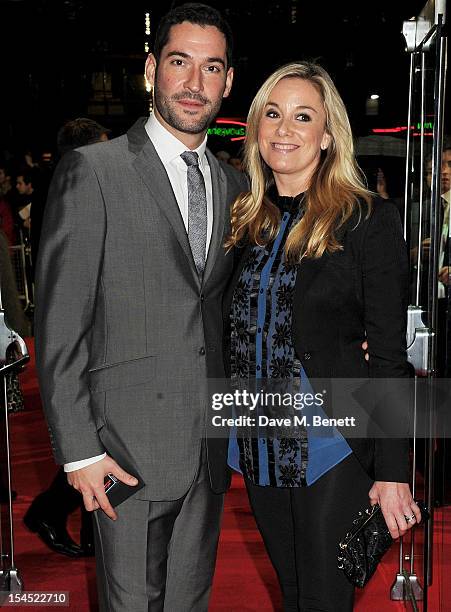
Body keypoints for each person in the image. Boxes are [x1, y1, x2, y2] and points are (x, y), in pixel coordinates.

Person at [34, 3, 246, 611]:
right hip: (122, 452)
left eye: (212, 68)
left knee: (187, 602)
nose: (195, 83)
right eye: (180, 63)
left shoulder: (232, 186)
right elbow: (61, 322)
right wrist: (78, 450)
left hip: (206, 449)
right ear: (151, 71)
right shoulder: (92, 171)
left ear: (228, 82)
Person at [223, 61, 421, 611]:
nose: (285, 129)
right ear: (257, 128)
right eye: (273, 113)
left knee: (324, 600)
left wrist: (392, 472)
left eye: (302, 116)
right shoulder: (244, 220)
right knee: (292, 596)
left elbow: (388, 357)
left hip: (331, 443)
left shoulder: (366, 220)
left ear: (327, 135)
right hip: (259, 441)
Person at [23, 118, 112, 558]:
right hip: (86, 327)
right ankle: (59, 514)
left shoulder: (54, 182)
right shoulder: (75, 182)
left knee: (99, 437)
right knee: (94, 437)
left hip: (86, 322)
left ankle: (52, 513)